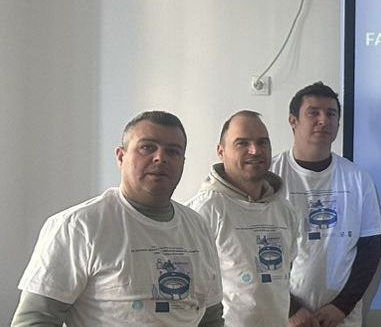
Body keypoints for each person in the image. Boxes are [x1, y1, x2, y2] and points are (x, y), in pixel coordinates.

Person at [12, 111, 224, 326]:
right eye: (147, 147)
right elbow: (35, 319)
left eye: (173, 151)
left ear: (182, 162)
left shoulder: (198, 228)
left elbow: (211, 319)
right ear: (121, 157)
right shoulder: (78, 227)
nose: (161, 158)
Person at [271, 82, 381, 327]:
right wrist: (291, 308)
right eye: (313, 113)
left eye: (331, 114)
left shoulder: (357, 178)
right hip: (281, 314)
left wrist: (342, 306)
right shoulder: (270, 176)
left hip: (340, 317)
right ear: (293, 120)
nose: (323, 120)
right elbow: (251, 251)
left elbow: (370, 250)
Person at [187, 111, 299, 326]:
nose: (255, 150)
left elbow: (284, 277)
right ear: (221, 151)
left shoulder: (284, 210)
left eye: (262, 142)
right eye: (242, 143)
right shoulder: (205, 210)